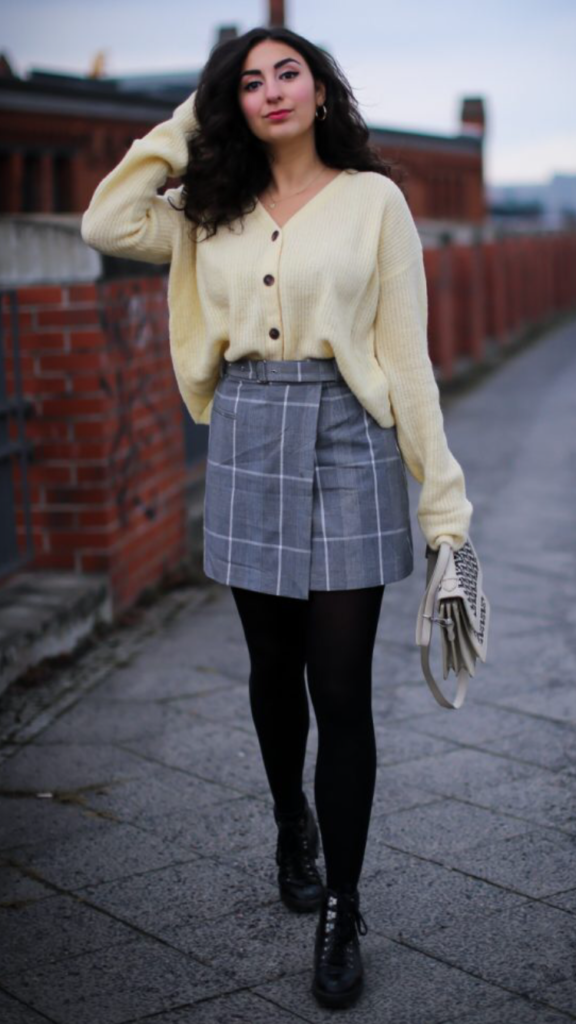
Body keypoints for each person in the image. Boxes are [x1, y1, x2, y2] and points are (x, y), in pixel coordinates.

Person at [81, 25, 473, 1011]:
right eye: (248, 81)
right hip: (250, 431)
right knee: (272, 670)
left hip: (349, 436)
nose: (271, 91)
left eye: (286, 71)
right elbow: (104, 222)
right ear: (234, 104)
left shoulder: (376, 201)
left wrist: (446, 509)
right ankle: (288, 817)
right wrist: (187, 119)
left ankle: (342, 901)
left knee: (341, 689)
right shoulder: (206, 208)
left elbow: (410, 361)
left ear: (322, 89)